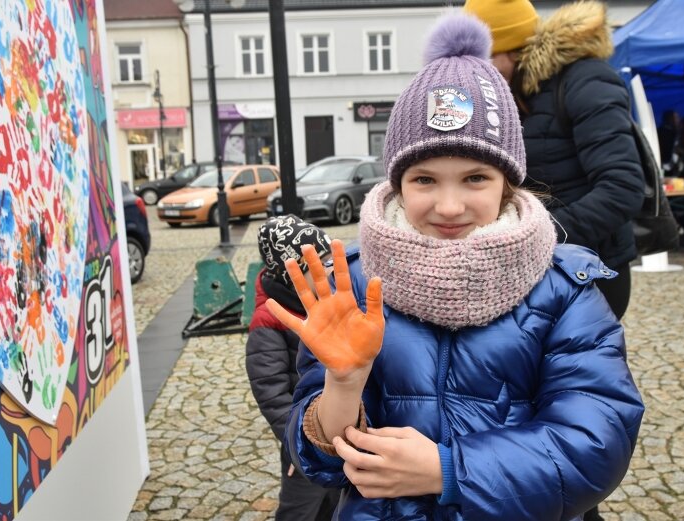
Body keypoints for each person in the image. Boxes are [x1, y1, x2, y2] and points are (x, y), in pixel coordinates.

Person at [266, 14, 644, 520]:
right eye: (424, 179)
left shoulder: (563, 289)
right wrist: (343, 384)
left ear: (507, 183)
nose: (448, 206)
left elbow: (598, 443)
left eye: (474, 178)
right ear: (397, 183)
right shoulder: (355, 282)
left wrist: (449, 468)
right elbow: (319, 464)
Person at [464, 0, 646, 322]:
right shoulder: (504, 94)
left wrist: (536, 234)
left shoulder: (585, 80)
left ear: (515, 51)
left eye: (484, 58)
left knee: (578, 369)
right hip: (531, 270)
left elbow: (622, 188)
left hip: (588, 271)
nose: (477, 71)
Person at [245, 215, 340, 521]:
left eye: (329, 262)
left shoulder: (328, 303)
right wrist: (300, 445)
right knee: (300, 510)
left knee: (337, 506)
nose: (332, 271)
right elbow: (272, 395)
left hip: (340, 434)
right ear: (294, 272)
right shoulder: (269, 321)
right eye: (321, 265)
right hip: (304, 442)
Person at [657, 110, 680, 175]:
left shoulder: (677, 133)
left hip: (672, 167)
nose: (678, 120)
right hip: (664, 164)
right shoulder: (661, 132)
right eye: (676, 118)